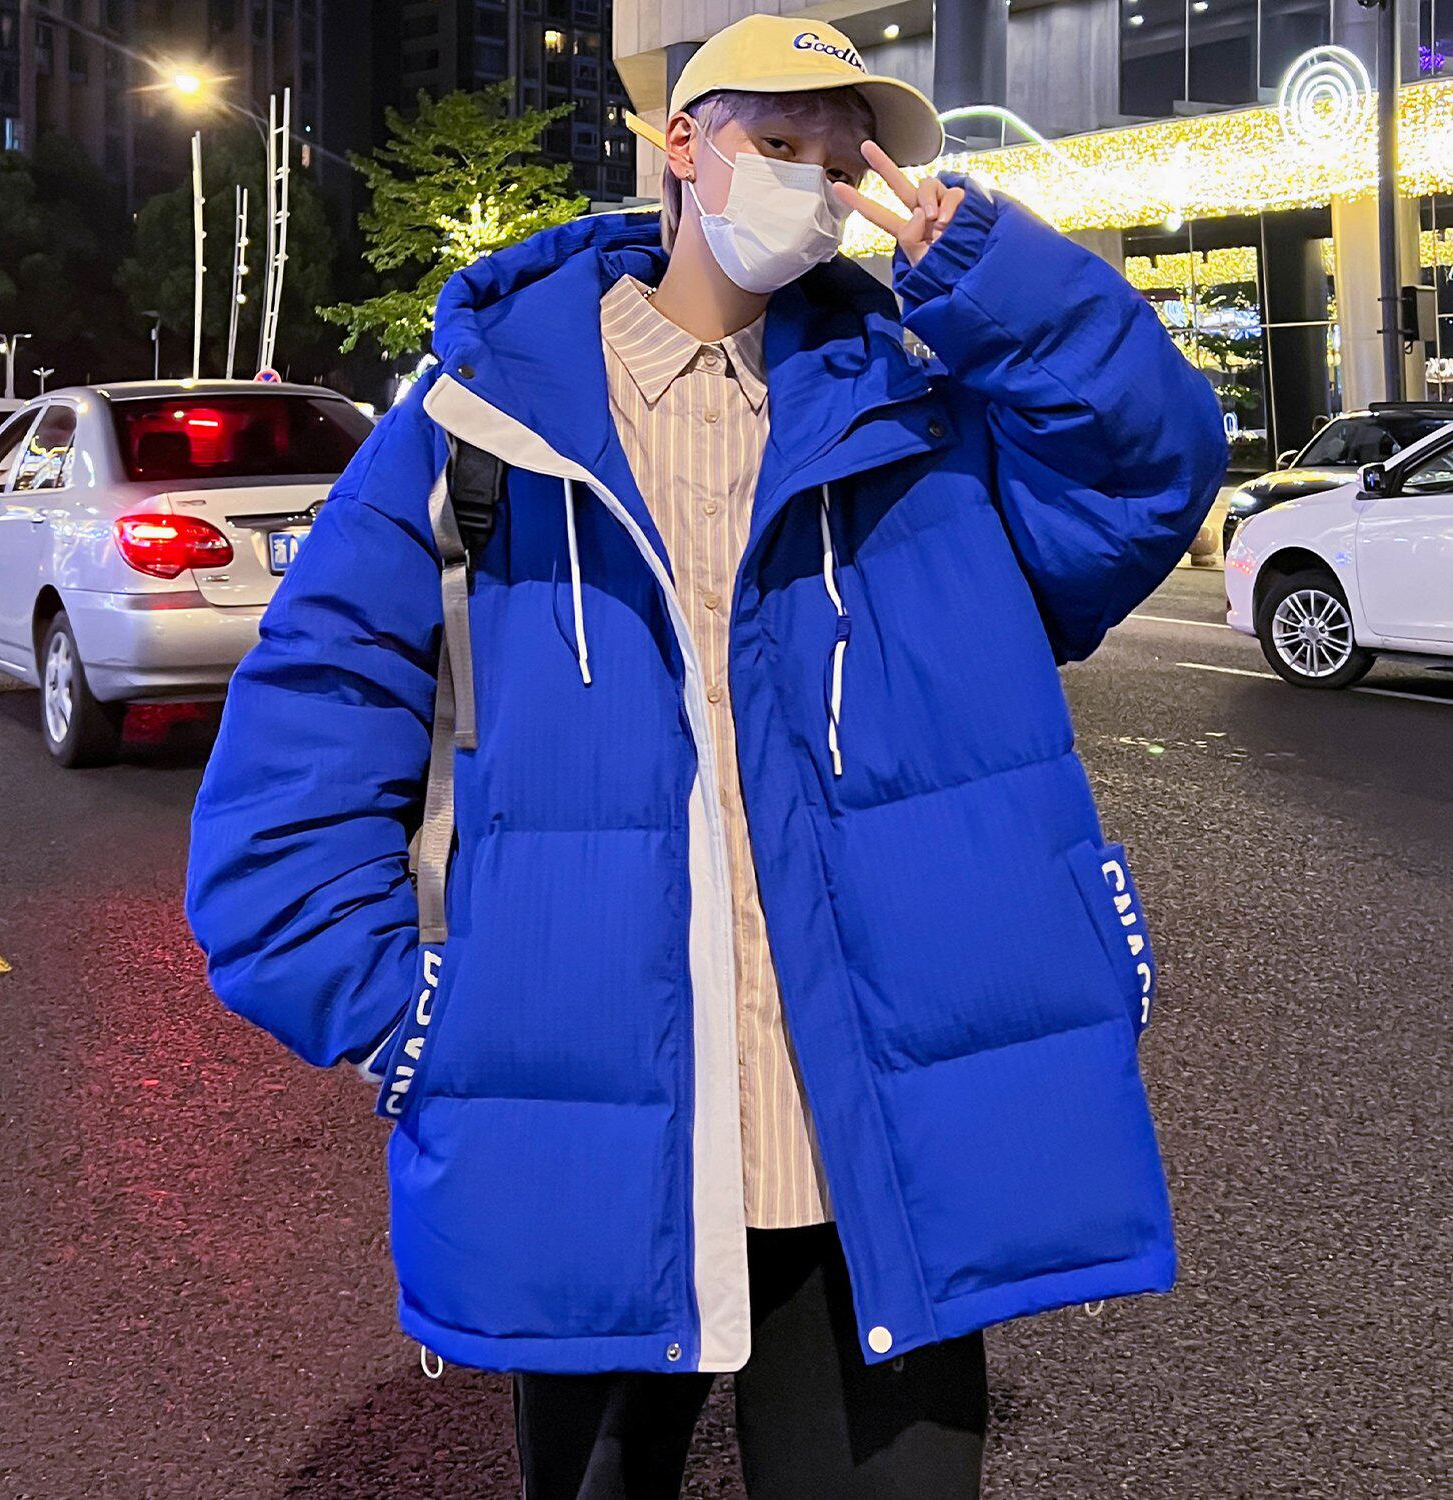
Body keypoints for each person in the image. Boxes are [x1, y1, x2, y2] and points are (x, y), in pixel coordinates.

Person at [186, 14, 1228, 1498]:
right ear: (682, 146)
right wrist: (411, 1020)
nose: (813, 183)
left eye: (842, 159)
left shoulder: (920, 408)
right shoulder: (480, 421)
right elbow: (300, 755)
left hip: (871, 1124)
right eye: (778, 142)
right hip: (595, 1127)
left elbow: (1148, 476)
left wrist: (990, 275)